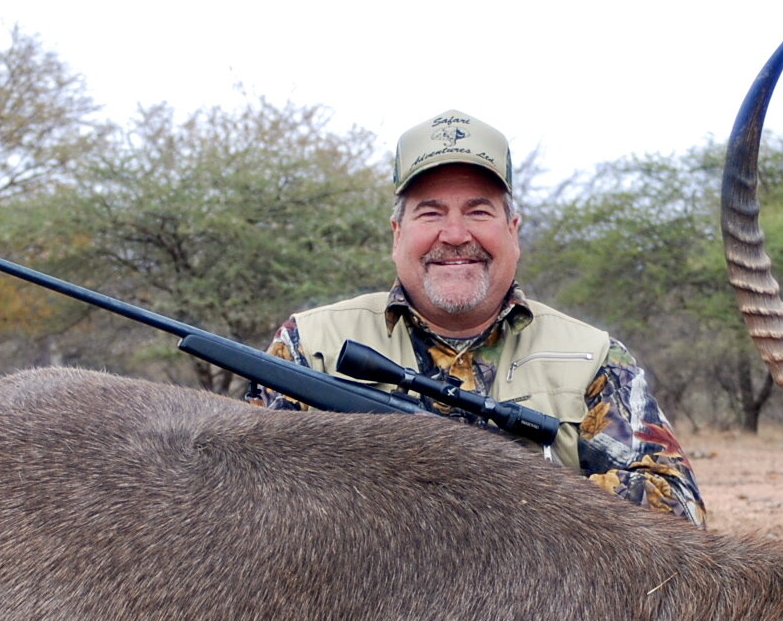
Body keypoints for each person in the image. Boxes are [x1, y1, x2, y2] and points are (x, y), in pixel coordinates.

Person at [244, 109, 703, 525]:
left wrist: (501, 491)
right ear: (397, 234)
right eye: (431, 213)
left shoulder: (591, 356)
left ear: (513, 231)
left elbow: (679, 512)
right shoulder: (310, 344)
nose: (456, 234)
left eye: (478, 211)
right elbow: (243, 500)